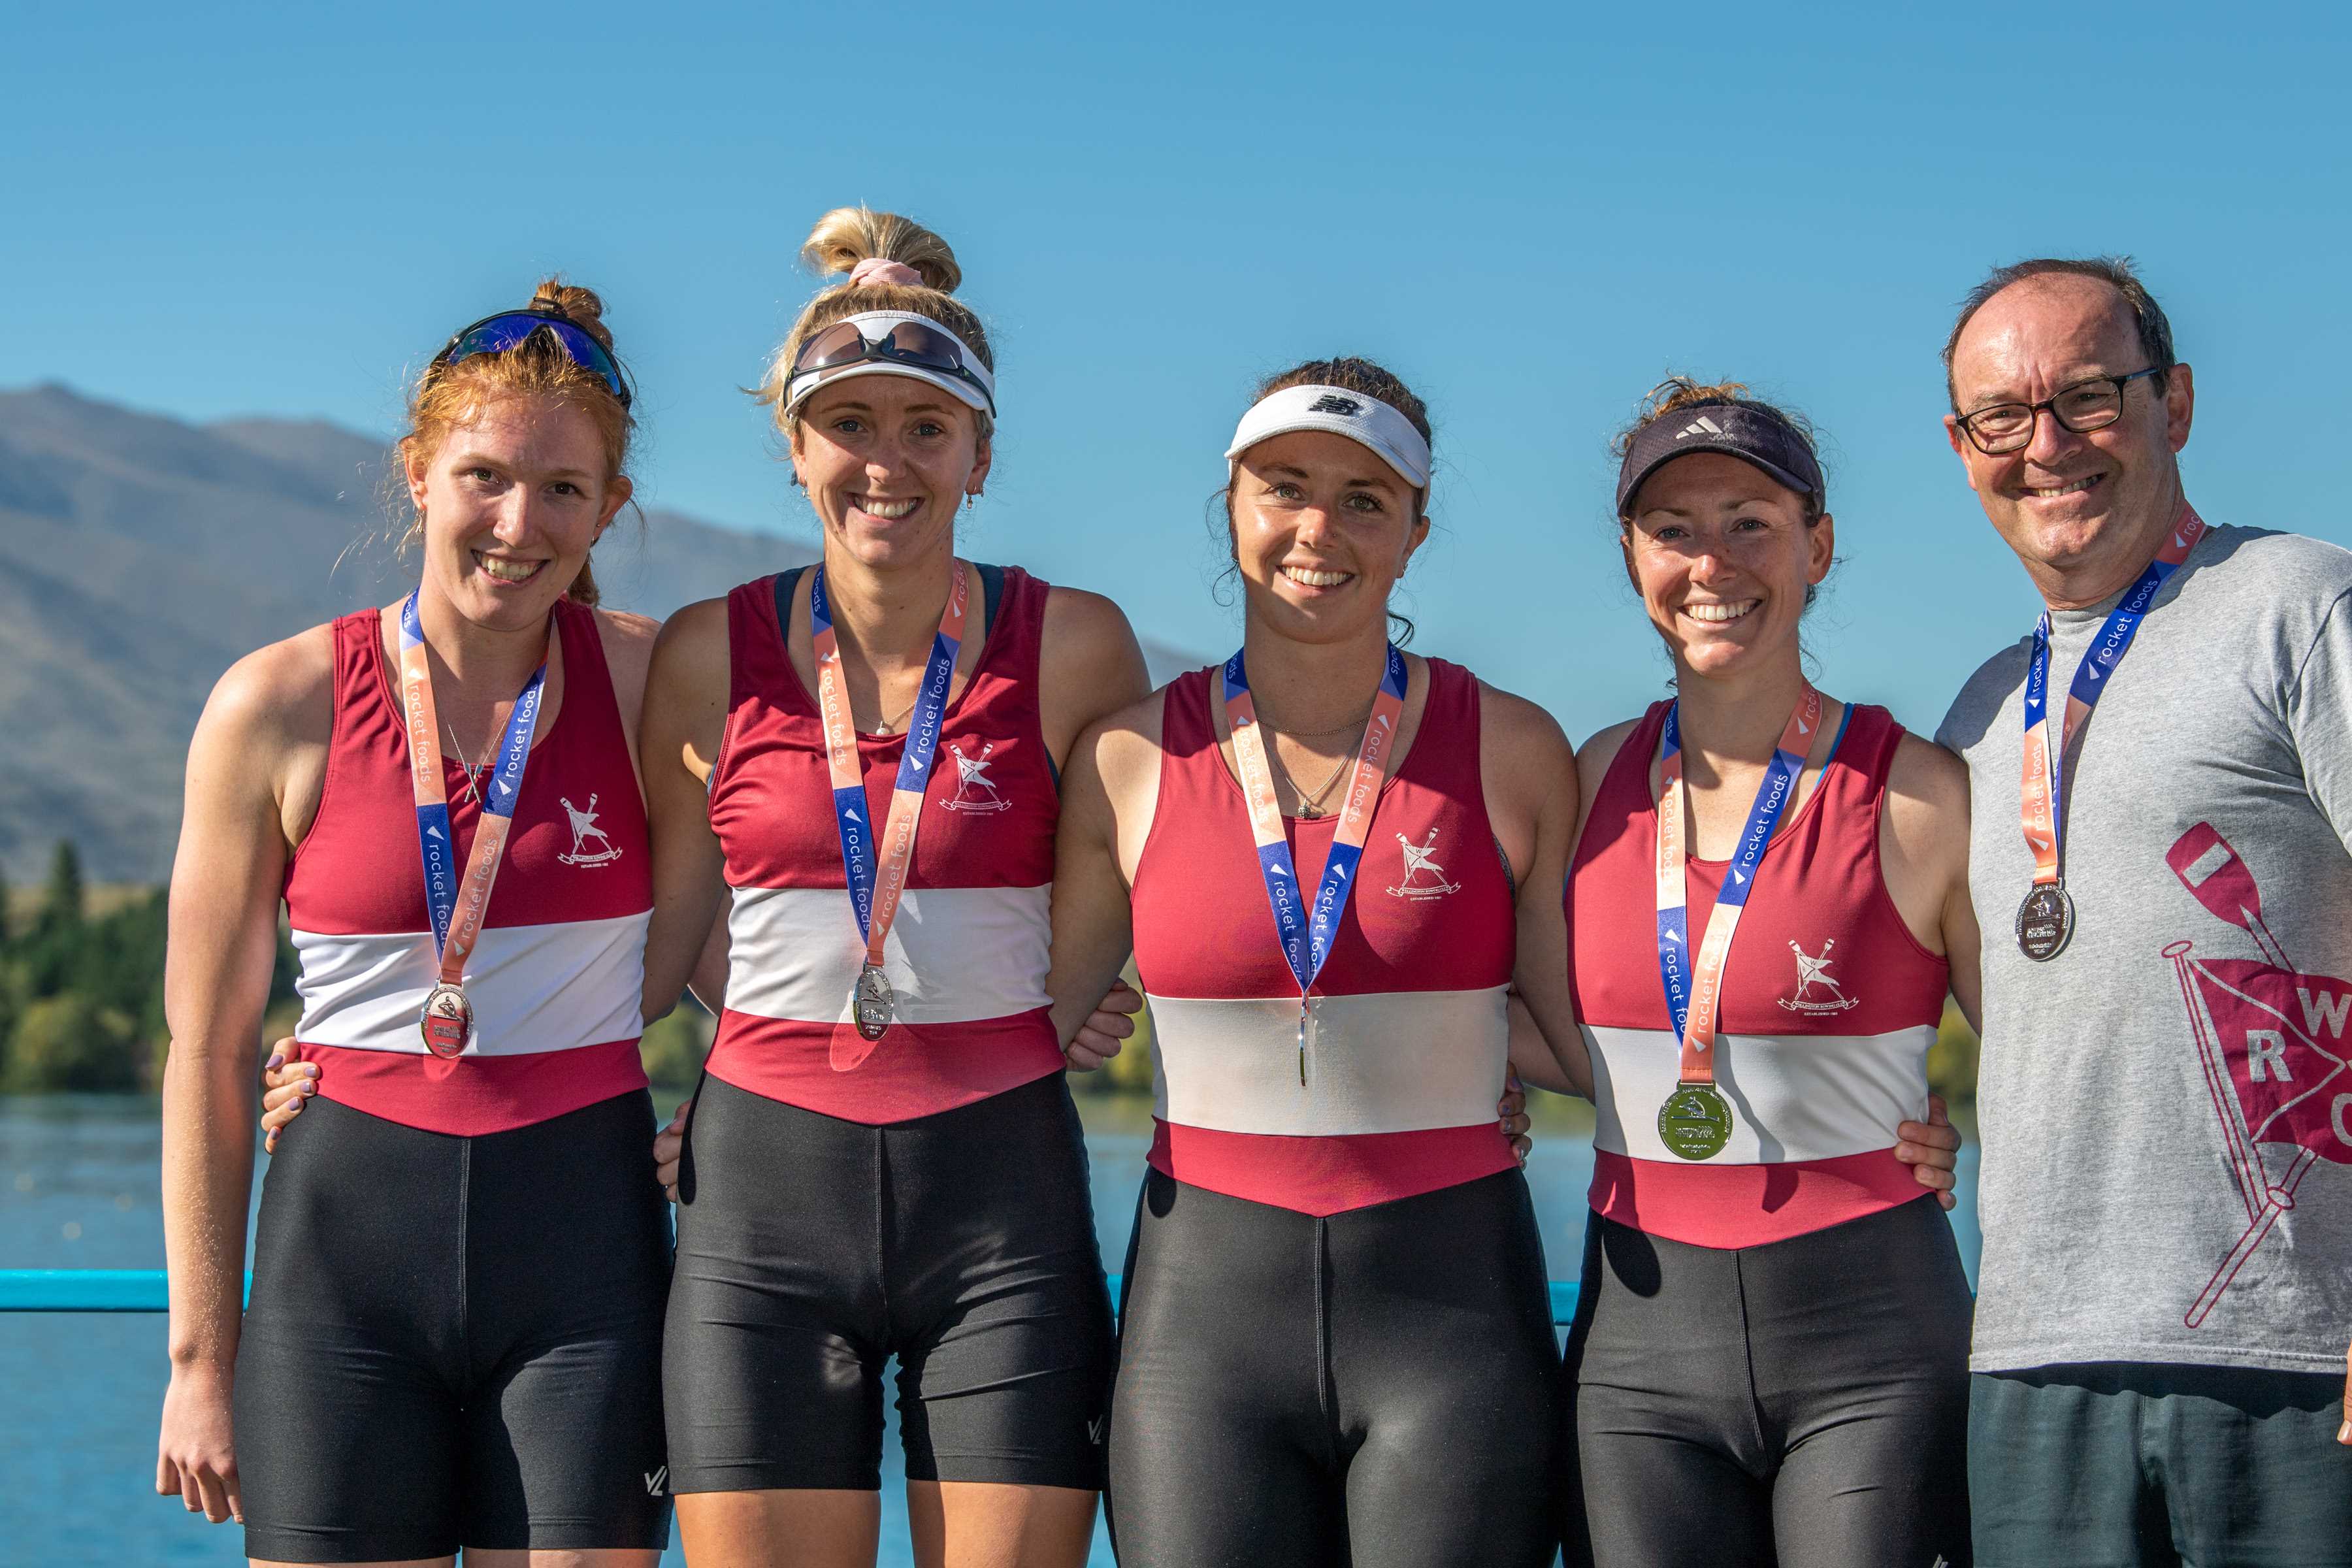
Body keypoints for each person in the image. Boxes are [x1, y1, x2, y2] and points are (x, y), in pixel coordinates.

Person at [634, 206, 1152, 1568]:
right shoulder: (710, 653)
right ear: (795, 446)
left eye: (928, 427)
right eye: (849, 422)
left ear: (980, 456)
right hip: (760, 1201)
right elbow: (660, 942)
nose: (887, 461)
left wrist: (1072, 1000)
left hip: (1001, 1202)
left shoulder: (1076, 645)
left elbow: (1141, 904)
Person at [155, 282, 674, 1563]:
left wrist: (1075, 973)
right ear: (417, 475)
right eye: (483, 476)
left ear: (610, 507)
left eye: (563, 489)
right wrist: (199, 1358)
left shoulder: (663, 680)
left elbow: (806, 900)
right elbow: (210, 1055)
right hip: (343, 1277)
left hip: (587, 1272)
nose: (517, 521)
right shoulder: (275, 705)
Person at [1046, 357, 1582, 1566]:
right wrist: (755, 1095)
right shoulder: (1129, 758)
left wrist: (1853, 1102)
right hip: (1201, 1342)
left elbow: (1605, 1044)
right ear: (1231, 501)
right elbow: (1015, 1031)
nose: (1317, 529)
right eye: (1285, 487)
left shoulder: (1511, 747)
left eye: (1364, 499)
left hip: (1452, 1324)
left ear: (1415, 532)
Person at [1933, 257, 2352, 1566]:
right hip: (2031, 1360)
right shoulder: (1977, 714)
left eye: (2090, 397)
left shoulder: (2299, 602)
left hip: (2294, 1352)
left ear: (2173, 401)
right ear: (1962, 450)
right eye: (2002, 415)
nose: (2045, 446)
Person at [1561, 378, 1978, 1567]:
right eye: (1674, 529)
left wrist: (1943, 1125)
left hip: (1872, 1341)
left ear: (1819, 546)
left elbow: (2052, 1048)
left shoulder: (1918, 794)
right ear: (1633, 556)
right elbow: (1532, 1028)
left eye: (1751, 522)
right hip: (1637, 1346)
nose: (1713, 563)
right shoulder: (1591, 777)